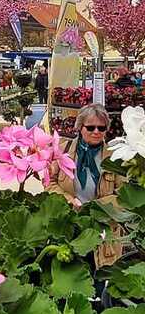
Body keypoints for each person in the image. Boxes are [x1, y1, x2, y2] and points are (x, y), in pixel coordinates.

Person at [46, 103, 123, 267]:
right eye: (91, 127)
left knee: (101, 276)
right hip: (69, 222)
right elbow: (49, 182)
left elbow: (124, 195)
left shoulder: (115, 156)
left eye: (101, 128)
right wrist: (67, 199)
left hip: (103, 227)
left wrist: (95, 207)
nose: (96, 132)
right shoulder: (62, 150)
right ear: (80, 127)